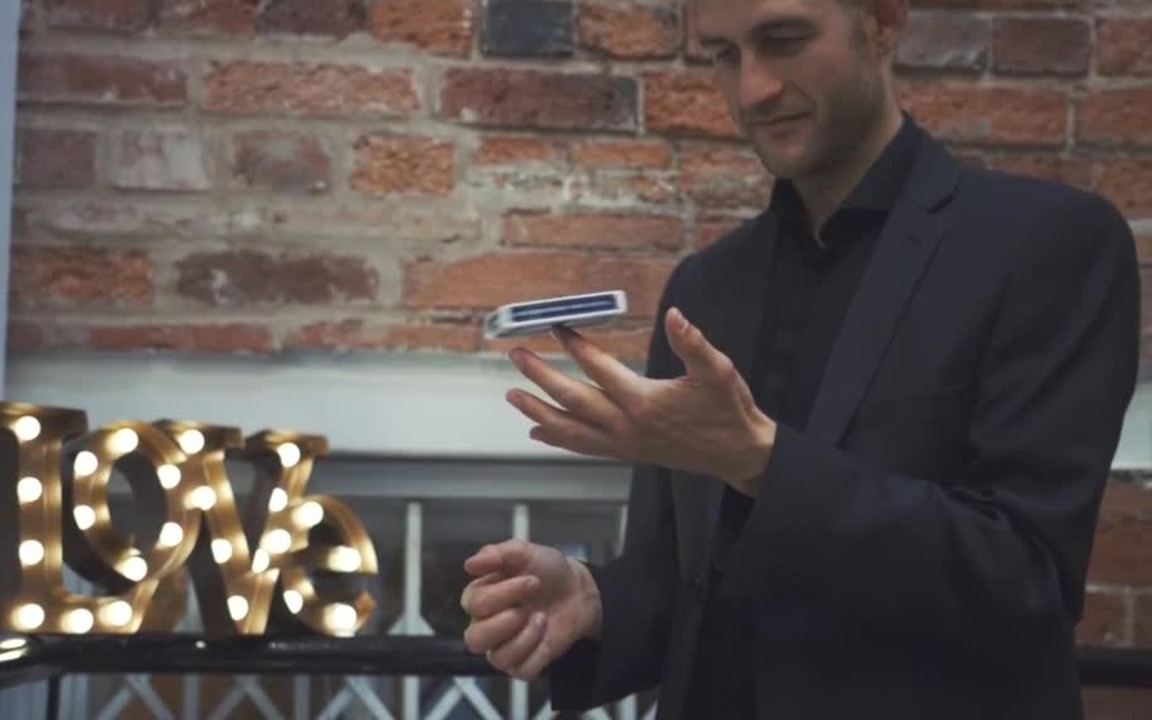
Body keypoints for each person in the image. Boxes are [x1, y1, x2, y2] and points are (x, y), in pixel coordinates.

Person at [458, 0, 1143, 717]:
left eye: (784, 40)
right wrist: (596, 601)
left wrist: (761, 462)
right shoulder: (705, 287)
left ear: (883, 23)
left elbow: (1023, 581)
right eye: (724, 55)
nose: (752, 90)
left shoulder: (1046, 243)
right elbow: (687, 585)